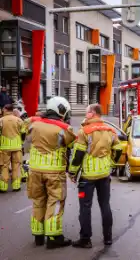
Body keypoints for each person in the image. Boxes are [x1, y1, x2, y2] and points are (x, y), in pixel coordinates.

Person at [69, 104, 123, 249]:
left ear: (93, 113)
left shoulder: (84, 131)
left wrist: (72, 172)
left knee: (85, 207)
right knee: (105, 205)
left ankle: (85, 239)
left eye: (87, 113)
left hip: (87, 177)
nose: (86, 115)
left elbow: (78, 154)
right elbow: (118, 149)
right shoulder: (110, 130)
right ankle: (108, 238)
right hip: (105, 175)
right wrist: (111, 163)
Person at [25, 96, 76, 249]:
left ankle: (38, 236)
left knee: (38, 201)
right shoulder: (64, 129)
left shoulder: (33, 124)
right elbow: (72, 145)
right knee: (54, 202)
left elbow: (24, 134)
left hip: (35, 170)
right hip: (54, 171)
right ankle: (53, 238)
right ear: (60, 111)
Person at [0, 104, 25, 192]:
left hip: (4, 147)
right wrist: (21, 144)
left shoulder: (1, 120)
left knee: (4, 167)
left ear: (6, 109)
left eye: (3, 109)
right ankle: (16, 186)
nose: (2, 110)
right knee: (16, 166)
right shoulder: (19, 120)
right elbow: (23, 132)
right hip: (17, 147)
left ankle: (3, 187)